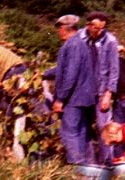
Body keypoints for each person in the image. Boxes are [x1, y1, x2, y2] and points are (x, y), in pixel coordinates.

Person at [52, 14, 97, 165]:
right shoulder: (79, 43)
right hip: (84, 98)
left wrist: (60, 98)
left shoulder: (72, 45)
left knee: (70, 133)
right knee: (82, 132)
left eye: (59, 28)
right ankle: (88, 168)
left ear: (64, 29)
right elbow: (64, 69)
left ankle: (77, 168)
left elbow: (70, 74)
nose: (58, 32)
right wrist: (46, 74)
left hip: (74, 99)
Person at [78, 11, 120, 165]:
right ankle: (89, 163)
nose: (99, 31)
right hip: (83, 91)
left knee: (105, 127)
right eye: (96, 28)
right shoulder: (80, 38)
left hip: (102, 91)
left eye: (103, 28)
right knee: (83, 126)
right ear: (88, 25)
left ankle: (107, 164)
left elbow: (114, 70)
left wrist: (109, 93)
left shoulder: (110, 41)